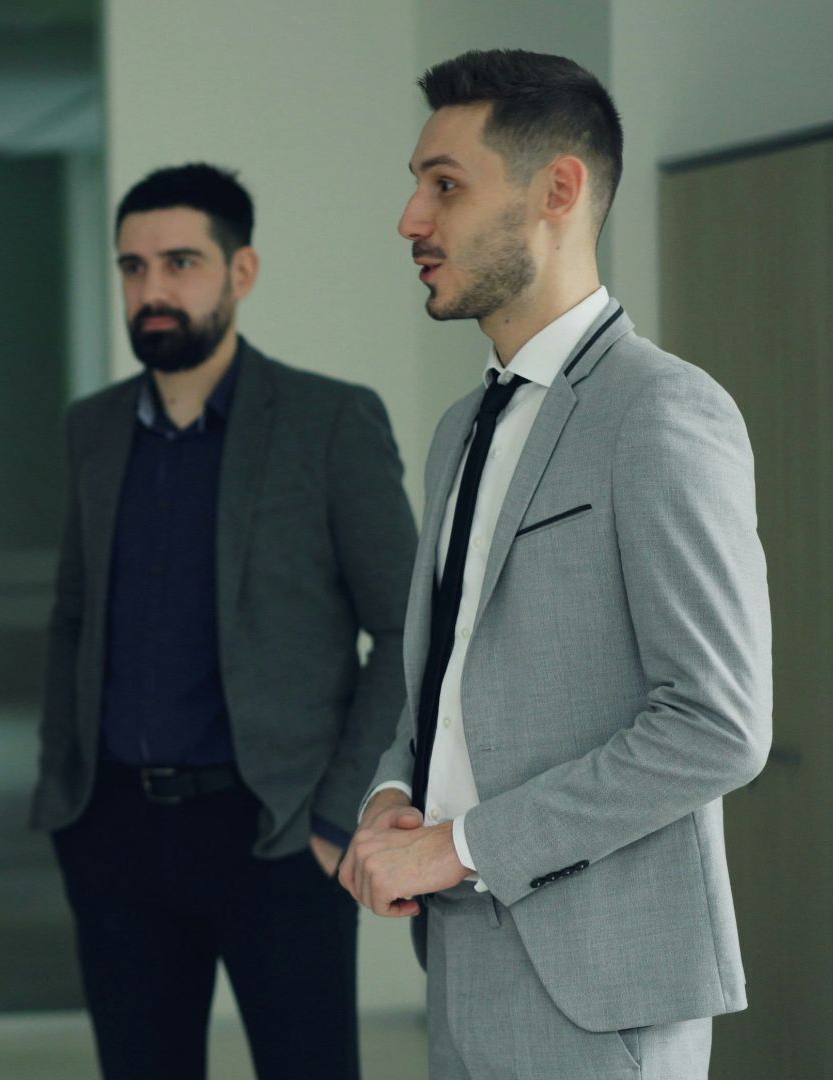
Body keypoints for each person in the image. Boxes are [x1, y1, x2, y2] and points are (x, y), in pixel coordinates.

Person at [339, 50, 772, 1079]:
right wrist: (390, 798)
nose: (411, 219)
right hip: (459, 955)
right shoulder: (459, 430)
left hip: (603, 986)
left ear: (558, 190)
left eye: (445, 185)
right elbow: (440, 684)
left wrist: (460, 844)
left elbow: (717, 726)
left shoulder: (662, 413)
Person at [31, 163, 417, 1079]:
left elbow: (408, 629)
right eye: (133, 267)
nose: (152, 290)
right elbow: (74, 613)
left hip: (277, 829)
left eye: (180, 263)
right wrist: (65, 793)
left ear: (241, 272)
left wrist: (337, 814)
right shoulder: (93, 429)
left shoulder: (328, 421)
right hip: (116, 829)